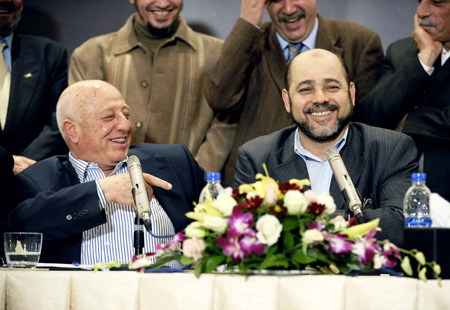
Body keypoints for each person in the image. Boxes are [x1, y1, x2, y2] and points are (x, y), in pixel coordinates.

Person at [6, 80, 205, 264]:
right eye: (109, 117)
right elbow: (16, 232)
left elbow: (225, 217)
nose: (126, 126)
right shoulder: (36, 180)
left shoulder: (175, 162)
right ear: (72, 130)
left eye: (126, 115)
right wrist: (102, 191)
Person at [233, 49, 418, 246]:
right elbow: (241, 233)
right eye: (306, 89)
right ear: (287, 101)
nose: (320, 98)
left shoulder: (391, 149)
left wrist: (325, 224)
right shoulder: (256, 156)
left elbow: (402, 223)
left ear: (351, 93)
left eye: (331, 87)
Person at [205, 0, 385, 185]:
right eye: (276, 0)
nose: (289, 9)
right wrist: (248, 22)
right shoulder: (250, 40)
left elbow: (369, 122)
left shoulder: (359, 41)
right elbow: (220, 99)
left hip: (336, 178)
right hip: (259, 179)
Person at [69, 0, 236, 173]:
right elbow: (78, 125)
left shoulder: (216, 54)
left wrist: (194, 176)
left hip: (185, 188)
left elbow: (225, 121)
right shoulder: (90, 55)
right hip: (108, 187)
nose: (163, 3)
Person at [354, 0, 450, 202]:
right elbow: (370, 116)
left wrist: (408, 122)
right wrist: (424, 60)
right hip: (396, 198)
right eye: (420, 1)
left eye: (437, 2)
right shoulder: (402, 51)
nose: (421, 12)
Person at [0, 0, 68, 174]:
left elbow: (58, 118)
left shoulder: (49, 53)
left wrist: (23, 166)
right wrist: (6, 161)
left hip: (32, 177)